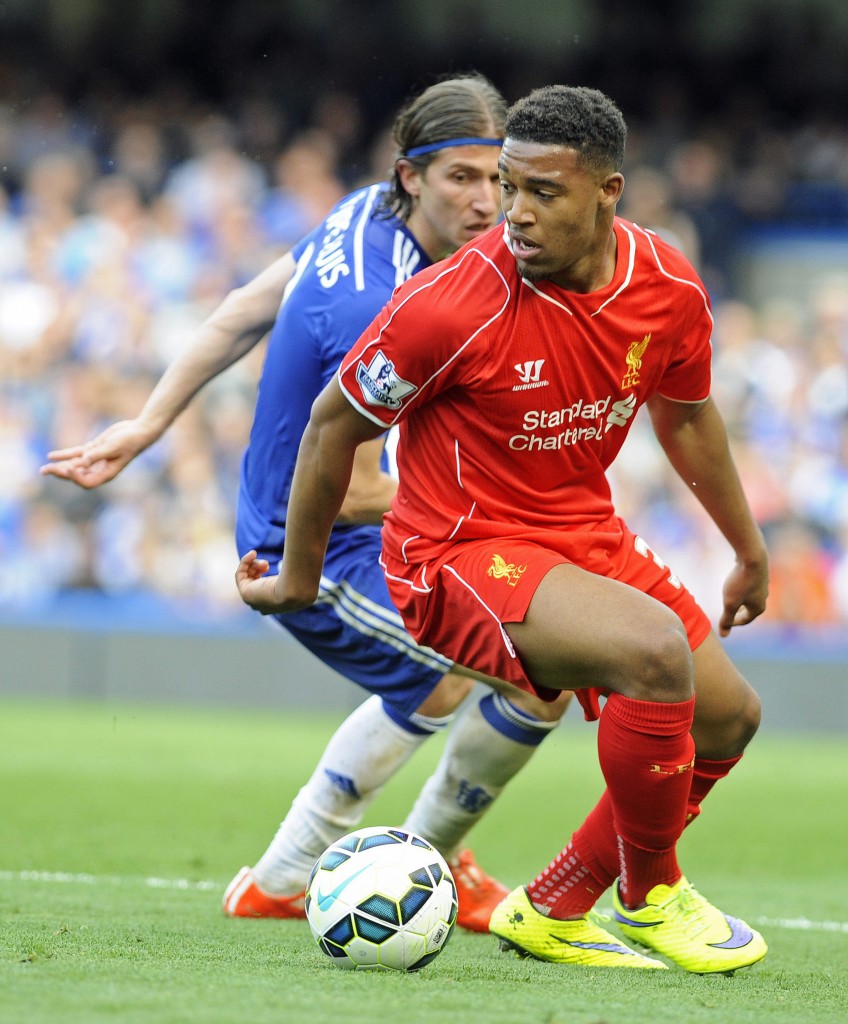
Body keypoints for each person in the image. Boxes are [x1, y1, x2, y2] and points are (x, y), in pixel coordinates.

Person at [234, 84, 770, 974]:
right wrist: (299, 573)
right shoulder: (452, 303)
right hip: (453, 552)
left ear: (609, 193)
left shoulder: (667, 284)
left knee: (726, 718)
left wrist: (748, 549)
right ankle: (651, 898)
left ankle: (556, 905)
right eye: (507, 187)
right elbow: (334, 424)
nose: (512, 212)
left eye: (541, 193)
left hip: (577, 532)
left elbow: (686, 418)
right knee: (653, 656)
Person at [41, 74, 571, 934]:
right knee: (527, 670)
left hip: (358, 521)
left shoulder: (364, 215)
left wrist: (148, 420)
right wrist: (509, 519)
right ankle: (399, 865)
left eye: (498, 180)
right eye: (461, 179)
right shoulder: (376, 298)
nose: (487, 203)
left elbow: (245, 310)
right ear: (411, 177)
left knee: (472, 677)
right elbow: (358, 489)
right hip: (313, 544)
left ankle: (325, 873)